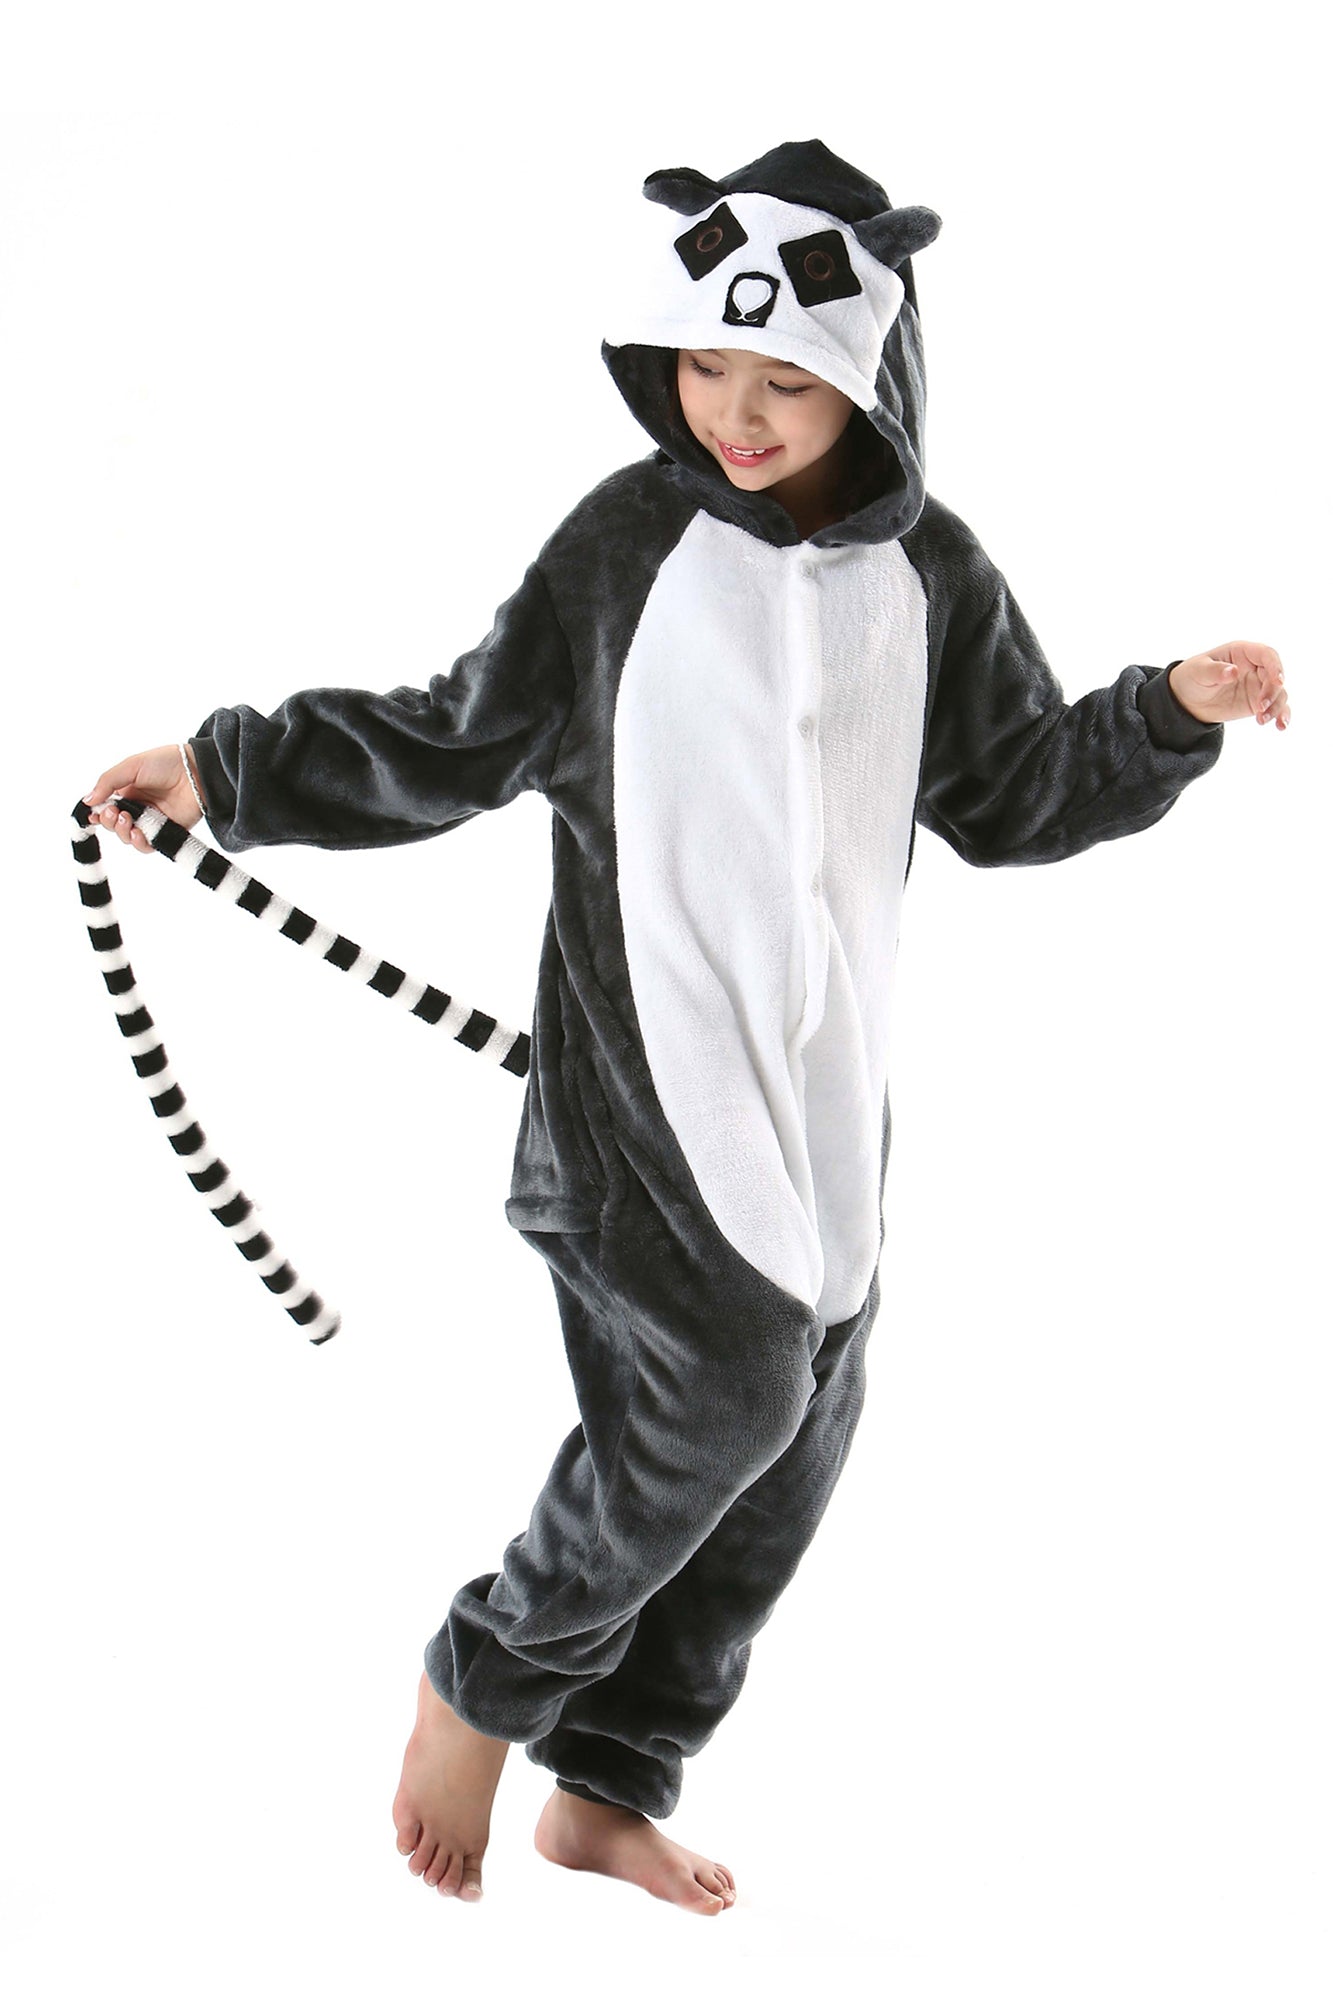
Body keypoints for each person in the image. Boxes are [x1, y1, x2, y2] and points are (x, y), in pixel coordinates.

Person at [81, 137, 1290, 1919]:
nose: (734, 411)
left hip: (826, 1108)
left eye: (783, 381)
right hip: (637, 1099)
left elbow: (1015, 792)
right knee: (719, 1397)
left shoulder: (932, 575)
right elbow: (456, 732)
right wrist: (231, 772)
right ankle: (484, 1677)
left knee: (795, 1439)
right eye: (707, 367)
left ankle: (611, 1780)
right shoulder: (624, 547)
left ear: (869, 377)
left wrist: (1167, 712)